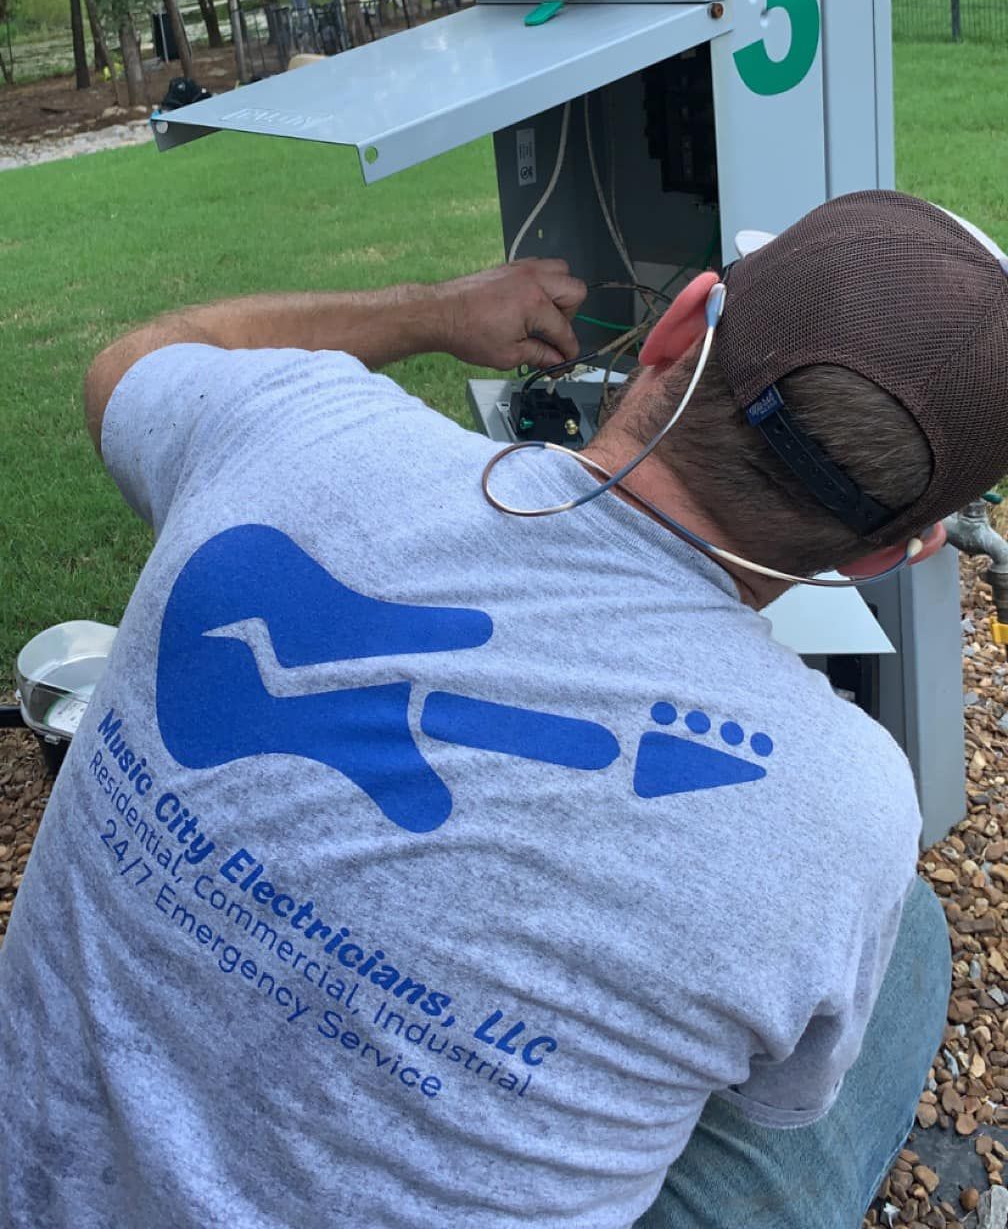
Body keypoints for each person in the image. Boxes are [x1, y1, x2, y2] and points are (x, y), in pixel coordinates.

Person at [1, 188, 1005, 1229]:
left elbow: (132, 364)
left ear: (676, 328)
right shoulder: (844, 810)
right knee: (905, 940)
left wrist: (432, 310)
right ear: (891, 553)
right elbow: (779, 1099)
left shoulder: (295, 426)